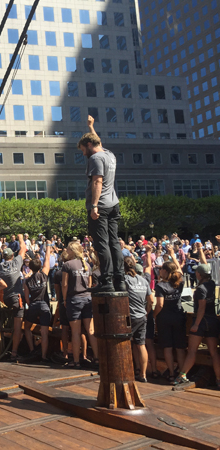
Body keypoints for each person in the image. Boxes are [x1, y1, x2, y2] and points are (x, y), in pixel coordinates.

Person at [78, 116, 125, 293]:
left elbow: (97, 182)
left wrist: (94, 206)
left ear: (89, 146)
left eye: (84, 149)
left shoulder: (96, 159)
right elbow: (97, 141)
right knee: (113, 241)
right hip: (113, 204)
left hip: (101, 206)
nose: (83, 154)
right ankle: (119, 280)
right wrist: (91, 127)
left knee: (101, 243)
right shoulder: (109, 155)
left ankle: (106, 280)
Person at [174, 243, 220, 387]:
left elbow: (201, 308)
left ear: (199, 274)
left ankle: (182, 375)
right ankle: (219, 379)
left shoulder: (200, 289)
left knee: (192, 351)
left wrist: (196, 324)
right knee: (213, 352)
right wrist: (200, 250)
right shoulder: (212, 284)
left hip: (202, 322)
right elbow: (205, 265)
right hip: (213, 320)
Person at [62, 241, 98, 368]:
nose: (66, 251)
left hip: (74, 298)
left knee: (75, 332)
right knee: (91, 330)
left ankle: (76, 360)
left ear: (73, 251)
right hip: (87, 298)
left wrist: (65, 299)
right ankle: (97, 358)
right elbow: (89, 284)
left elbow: (65, 284)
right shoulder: (86, 264)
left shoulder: (67, 265)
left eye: (68, 249)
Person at [154, 247, 186, 382]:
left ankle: (171, 373)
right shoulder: (180, 282)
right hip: (178, 316)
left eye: (161, 269)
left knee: (167, 346)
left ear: (165, 271)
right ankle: (182, 374)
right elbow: (179, 271)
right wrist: (173, 255)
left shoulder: (160, 286)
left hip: (165, 318)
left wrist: (153, 315)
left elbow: (160, 304)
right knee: (179, 347)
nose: (159, 270)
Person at [0, 235, 27, 362]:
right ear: (12, 256)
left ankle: (4, 346)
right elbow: (23, 248)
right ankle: (14, 352)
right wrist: (20, 238)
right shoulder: (16, 262)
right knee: (18, 326)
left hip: (6, 298)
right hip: (17, 298)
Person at [123, 257, 153, 383]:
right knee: (141, 344)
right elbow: (151, 300)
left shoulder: (124, 280)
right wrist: (146, 312)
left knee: (125, 344)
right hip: (142, 316)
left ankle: (127, 371)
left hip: (129, 317)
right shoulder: (143, 280)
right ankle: (143, 374)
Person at [23, 241, 53, 361]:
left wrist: (31, 305)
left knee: (26, 327)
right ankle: (44, 356)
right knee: (44, 332)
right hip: (45, 305)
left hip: (34, 305)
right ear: (40, 267)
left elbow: (26, 297)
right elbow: (47, 257)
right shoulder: (44, 274)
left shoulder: (27, 281)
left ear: (30, 268)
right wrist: (48, 246)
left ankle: (32, 350)